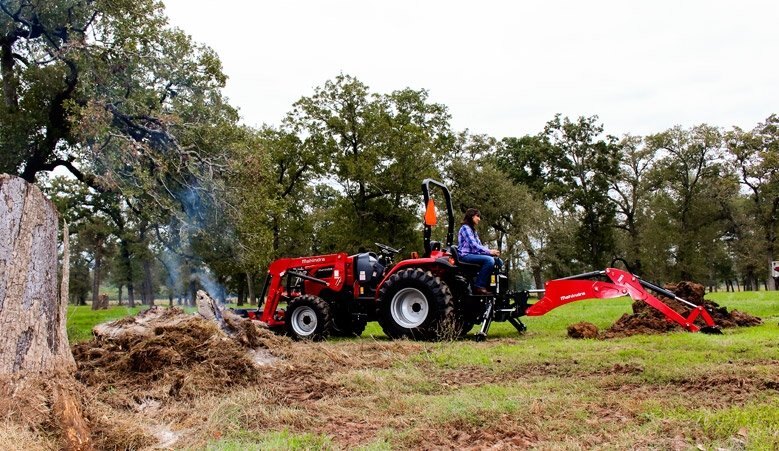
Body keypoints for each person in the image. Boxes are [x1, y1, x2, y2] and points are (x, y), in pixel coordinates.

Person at [457, 208, 502, 295]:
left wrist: (491, 252)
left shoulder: (473, 230)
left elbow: (479, 246)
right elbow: (474, 245)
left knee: (499, 261)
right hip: (465, 256)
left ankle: (494, 287)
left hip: (473, 255)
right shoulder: (465, 228)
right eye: (477, 216)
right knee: (489, 260)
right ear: (471, 216)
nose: (479, 219)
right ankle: (479, 286)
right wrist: (489, 252)